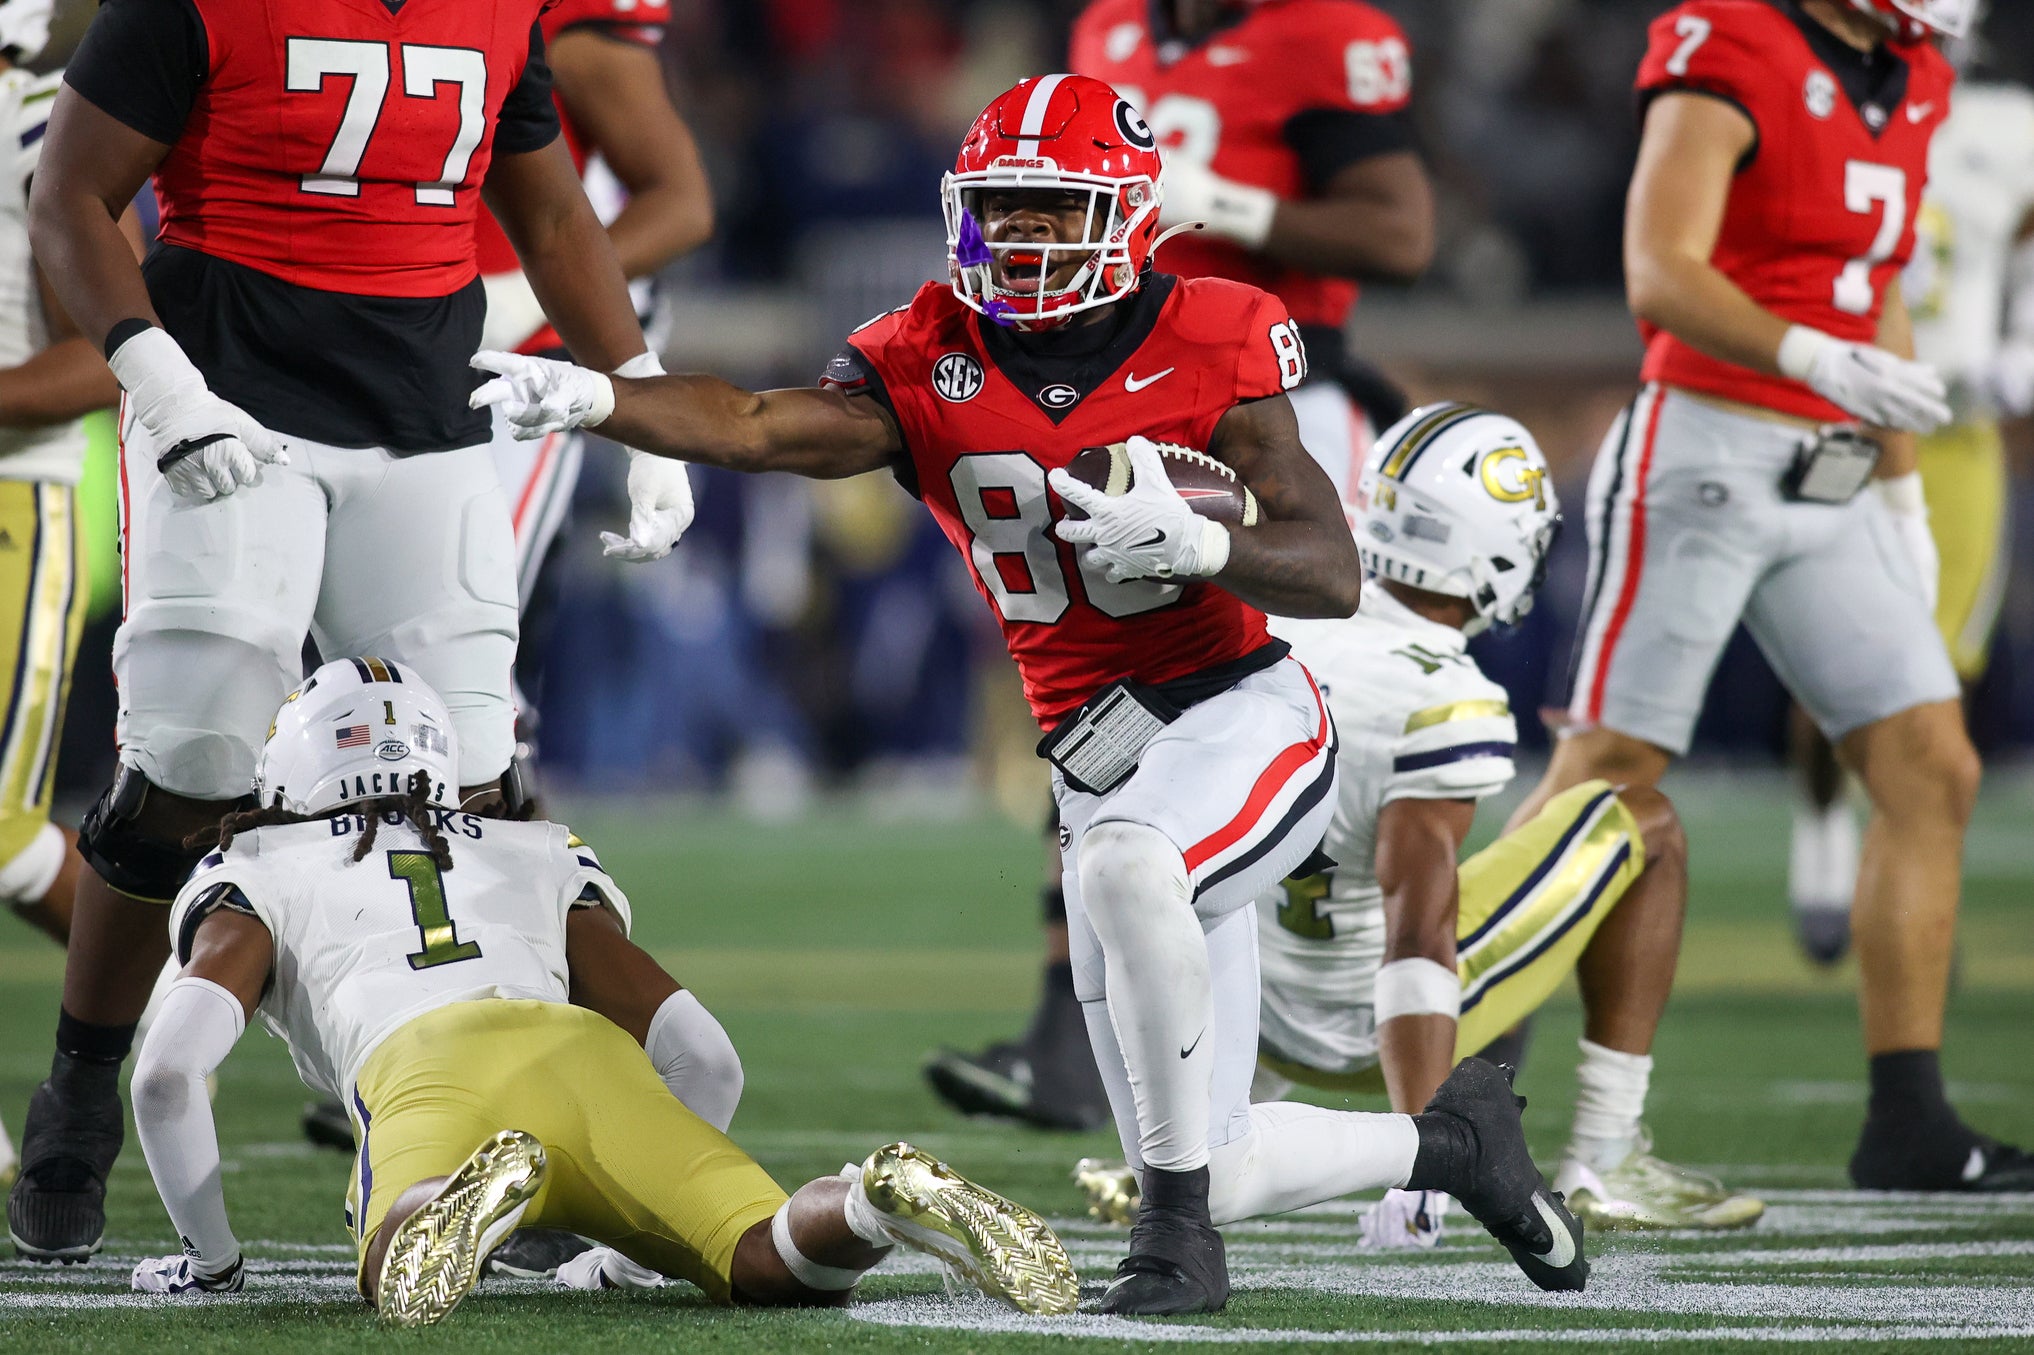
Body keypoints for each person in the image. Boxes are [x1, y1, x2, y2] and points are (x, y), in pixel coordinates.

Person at [471, 73, 1588, 1317]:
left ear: (1127, 213)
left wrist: (1206, 547)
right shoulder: (927, 349)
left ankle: (1172, 1256)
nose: (1023, 236)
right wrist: (598, 396)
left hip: (1242, 708)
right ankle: (1459, 1143)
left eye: (1054, 210)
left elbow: (1328, 567)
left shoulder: (1216, 328)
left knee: (1119, 870)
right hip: (1094, 752)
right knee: (1208, 1156)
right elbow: (755, 422)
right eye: (1004, 209)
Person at [9, 0, 695, 1261]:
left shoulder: (501, 12)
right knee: (189, 771)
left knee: (480, 794)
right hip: (229, 402)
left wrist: (639, 403)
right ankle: (79, 1086)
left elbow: (548, 213)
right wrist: (157, 383)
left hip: (425, 415)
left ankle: (519, 1105)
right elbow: (70, 196)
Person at [123, 658, 1077, 1325]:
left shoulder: (261, 862)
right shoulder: (528, 847)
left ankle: (473, 1202)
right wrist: (629, 1250)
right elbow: (704, 1056)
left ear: (296, 765)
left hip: (427, 1073)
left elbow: (166, 1076)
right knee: (767, 1260)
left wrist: (212, 1266)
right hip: (588, 1063)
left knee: (399, 1269)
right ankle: (875, 1201)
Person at [1514, 0, 2032, 1191]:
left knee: (1929, 763)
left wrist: (1900, 495)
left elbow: (1877, 286)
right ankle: (1466, 1100)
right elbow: (1660, 271)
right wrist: (1809, 353)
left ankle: (1907, 1117)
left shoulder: (1909, 70)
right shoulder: (1731, 36)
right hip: (1709, 445)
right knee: (1607, 769)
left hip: (1838, 461)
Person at [923, 0, 1437, 1129]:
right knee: (1100, 703)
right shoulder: (1110, 27)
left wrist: (1238, 206)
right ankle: (1079, 1039)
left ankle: (1400, 1010)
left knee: (1344, 707)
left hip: (1262, 401)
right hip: (1111, 382)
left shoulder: (1322, 33)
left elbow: (1401, 236)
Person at [1078, 406, 1764, 1240]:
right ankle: (1606, 1152)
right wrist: (1422, 1163)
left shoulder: (1277, 630)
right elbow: (1419, 938)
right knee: (1644, 820)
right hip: (1364, 1032)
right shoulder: (1442, 695)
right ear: (1492, 547)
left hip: (1248, 1011)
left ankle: (1189, 1130)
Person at [1786, 55, 2034, 963]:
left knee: (1941, 676)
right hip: (1848, 411)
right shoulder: (1823, 87)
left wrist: (2021, 341)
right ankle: (1821, 840)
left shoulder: (2007, 122)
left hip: (1957, 425)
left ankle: (1918, 886)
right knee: (1825, 661)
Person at [0, 0, 140, 1191]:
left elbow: (108, 349)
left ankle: (231, 976)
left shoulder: (39, 111)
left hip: (16, 502)